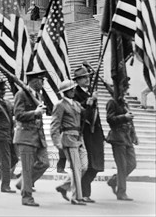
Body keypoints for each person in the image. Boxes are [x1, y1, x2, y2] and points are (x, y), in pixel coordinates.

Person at [13, 69, 49, 207]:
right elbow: (18, 115)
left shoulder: (38, 96)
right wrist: (35, 112)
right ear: (34, 81)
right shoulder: (21, 94)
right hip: (25, 136)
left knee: (44, 163)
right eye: (41, 80)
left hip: (38, 136)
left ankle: (23, 183)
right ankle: (27, 197)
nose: (43, 83)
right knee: (27, 168)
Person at [51, 80, 87, 205]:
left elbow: (86, 113)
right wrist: (57, 142)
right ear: (65, 92)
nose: (73, 91)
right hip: (68, 138)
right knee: (77, 168)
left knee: (84, 166)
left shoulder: (76, 104)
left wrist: (91, 102)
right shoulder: (60, 105)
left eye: (73, 89)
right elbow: (54, 125)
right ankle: (77, 197)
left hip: (79, 138)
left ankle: (65, 187)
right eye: (70, 90)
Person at [72, 66, 104, 203]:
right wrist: (88, 102)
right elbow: (76, 110)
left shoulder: (90, 92)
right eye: (84, 77)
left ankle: (74, 188)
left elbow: (96, 116)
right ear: (78, 80)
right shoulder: (75, 94)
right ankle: (84, 193)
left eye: (88, 77)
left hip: (95, 133)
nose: (87, 79)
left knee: (97, 164)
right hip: (84, 132)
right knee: (89, 164)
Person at [106, 80, 137, 201]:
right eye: (123, 88)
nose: (125, 90)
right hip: (117, 137)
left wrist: (134, 134)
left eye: (126, 88)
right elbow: (110, 119)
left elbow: (130, 119)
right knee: (122, 166)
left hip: (127, 137)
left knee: (132, 164)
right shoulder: (111, 102)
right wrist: (124, 117)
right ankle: (121, 192)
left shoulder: (124, 102)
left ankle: (114, 181)